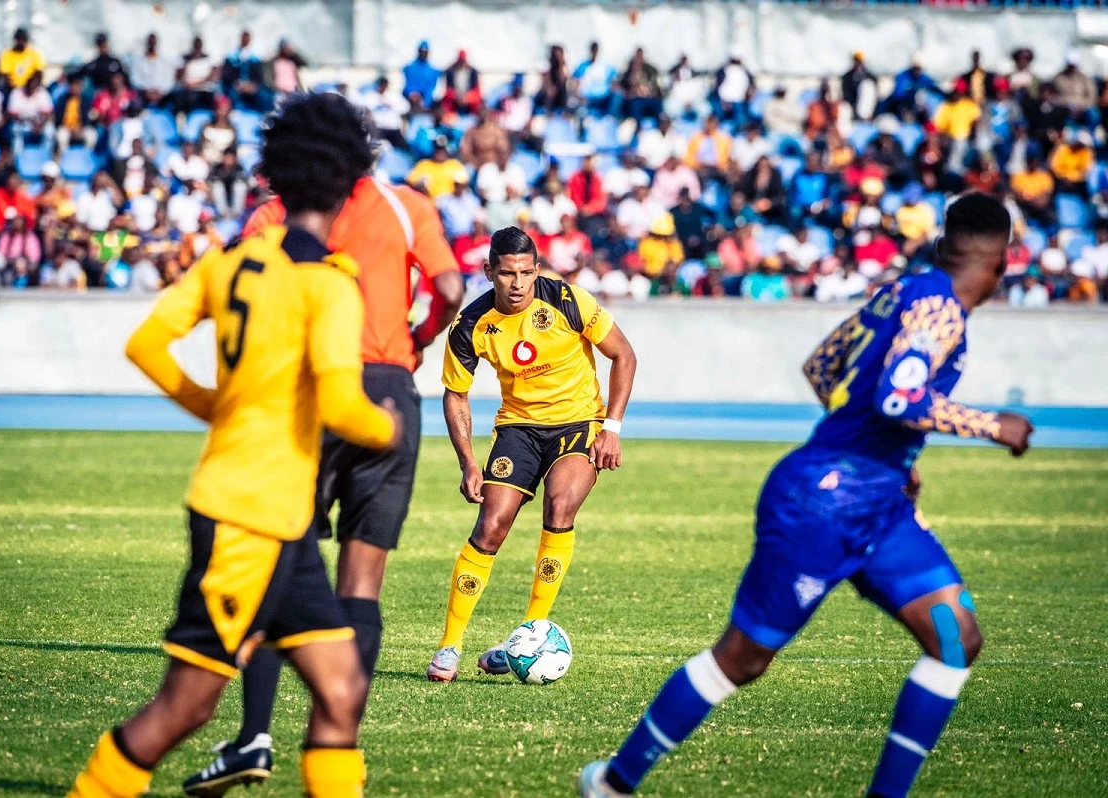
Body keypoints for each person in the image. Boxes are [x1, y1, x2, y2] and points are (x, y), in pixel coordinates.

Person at [581, 192, 1035, 798]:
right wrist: (992, 425)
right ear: (1004, 264)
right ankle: (614, 784)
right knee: (741, 660)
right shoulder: (943, 312)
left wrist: (885, 454)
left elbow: (822, 366)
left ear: (937, 246)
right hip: (821, 502)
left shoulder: (900, 291)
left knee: (955, 638)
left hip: (877, 500)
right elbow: (900, 399)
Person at [67, 92, 401, 798]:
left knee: (340, 692)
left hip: (280, 521)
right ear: (350, 181)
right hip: (250, 521)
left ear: (277, 174)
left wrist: (208, 404)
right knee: (185, 707)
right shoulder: (329, 284)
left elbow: (146, 343)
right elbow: (345, 406)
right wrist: (387, 427)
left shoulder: (231, 262)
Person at [183, 134, 465, 798]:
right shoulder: (407, 205)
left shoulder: (278, 214)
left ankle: (253, 736)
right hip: (389, 390)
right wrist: (417, 342)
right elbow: (450, 286)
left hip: (308, 390)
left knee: (281, 563)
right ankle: (336, 742)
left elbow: (233, 291)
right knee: (362, 582)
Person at [425, 225, 637, 682]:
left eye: (525, 272)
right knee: (491, 527)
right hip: (518, 428)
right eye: (506, 274)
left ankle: (528, 633)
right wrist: (467, 461)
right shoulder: (470, 325)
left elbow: (624, 355)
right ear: (489, 273)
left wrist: (612, 428)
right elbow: (454, 394)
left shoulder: (568, 300)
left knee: (560, 506)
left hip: (579, 424)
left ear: (536, 269)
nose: (517, 283)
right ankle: (449, 646)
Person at [222, 31, 271, 112]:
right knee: (232, 95)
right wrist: (237, 84)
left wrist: (253, 86)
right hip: (236, 86)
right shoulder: (231, 56)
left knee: (265, 96)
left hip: (251, 86)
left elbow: (259, 76)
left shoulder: (255, 58)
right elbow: (227, 75)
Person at [131, 33, 176, 107]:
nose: (152, 45)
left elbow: (169, 80)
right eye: (150, 42)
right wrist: (147, 91)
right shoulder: (139, 61)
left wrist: (161, 92)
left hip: (162, 96)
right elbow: (134, 79)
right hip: (144, 95)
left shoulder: (164, 61)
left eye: (154, 42)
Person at [403, 41, 442, 109]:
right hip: (411, 101)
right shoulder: (409, 68)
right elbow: (407, 85)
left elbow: (432, 88)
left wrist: (425, 100)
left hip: (427, 102)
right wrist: (412, 94)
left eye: (425, 51)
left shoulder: (433, 71)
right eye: (422, 51)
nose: (423, 53)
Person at [443, 50, 481, 114]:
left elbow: (477, 92)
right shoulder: (450, 72)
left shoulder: (473, 72)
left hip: (470, 100)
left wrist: (467, 98)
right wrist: (456, 96)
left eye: (463, 60)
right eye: (460, 60)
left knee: (479, 106)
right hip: (454, 100)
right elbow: (447, 90)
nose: (462, 63)